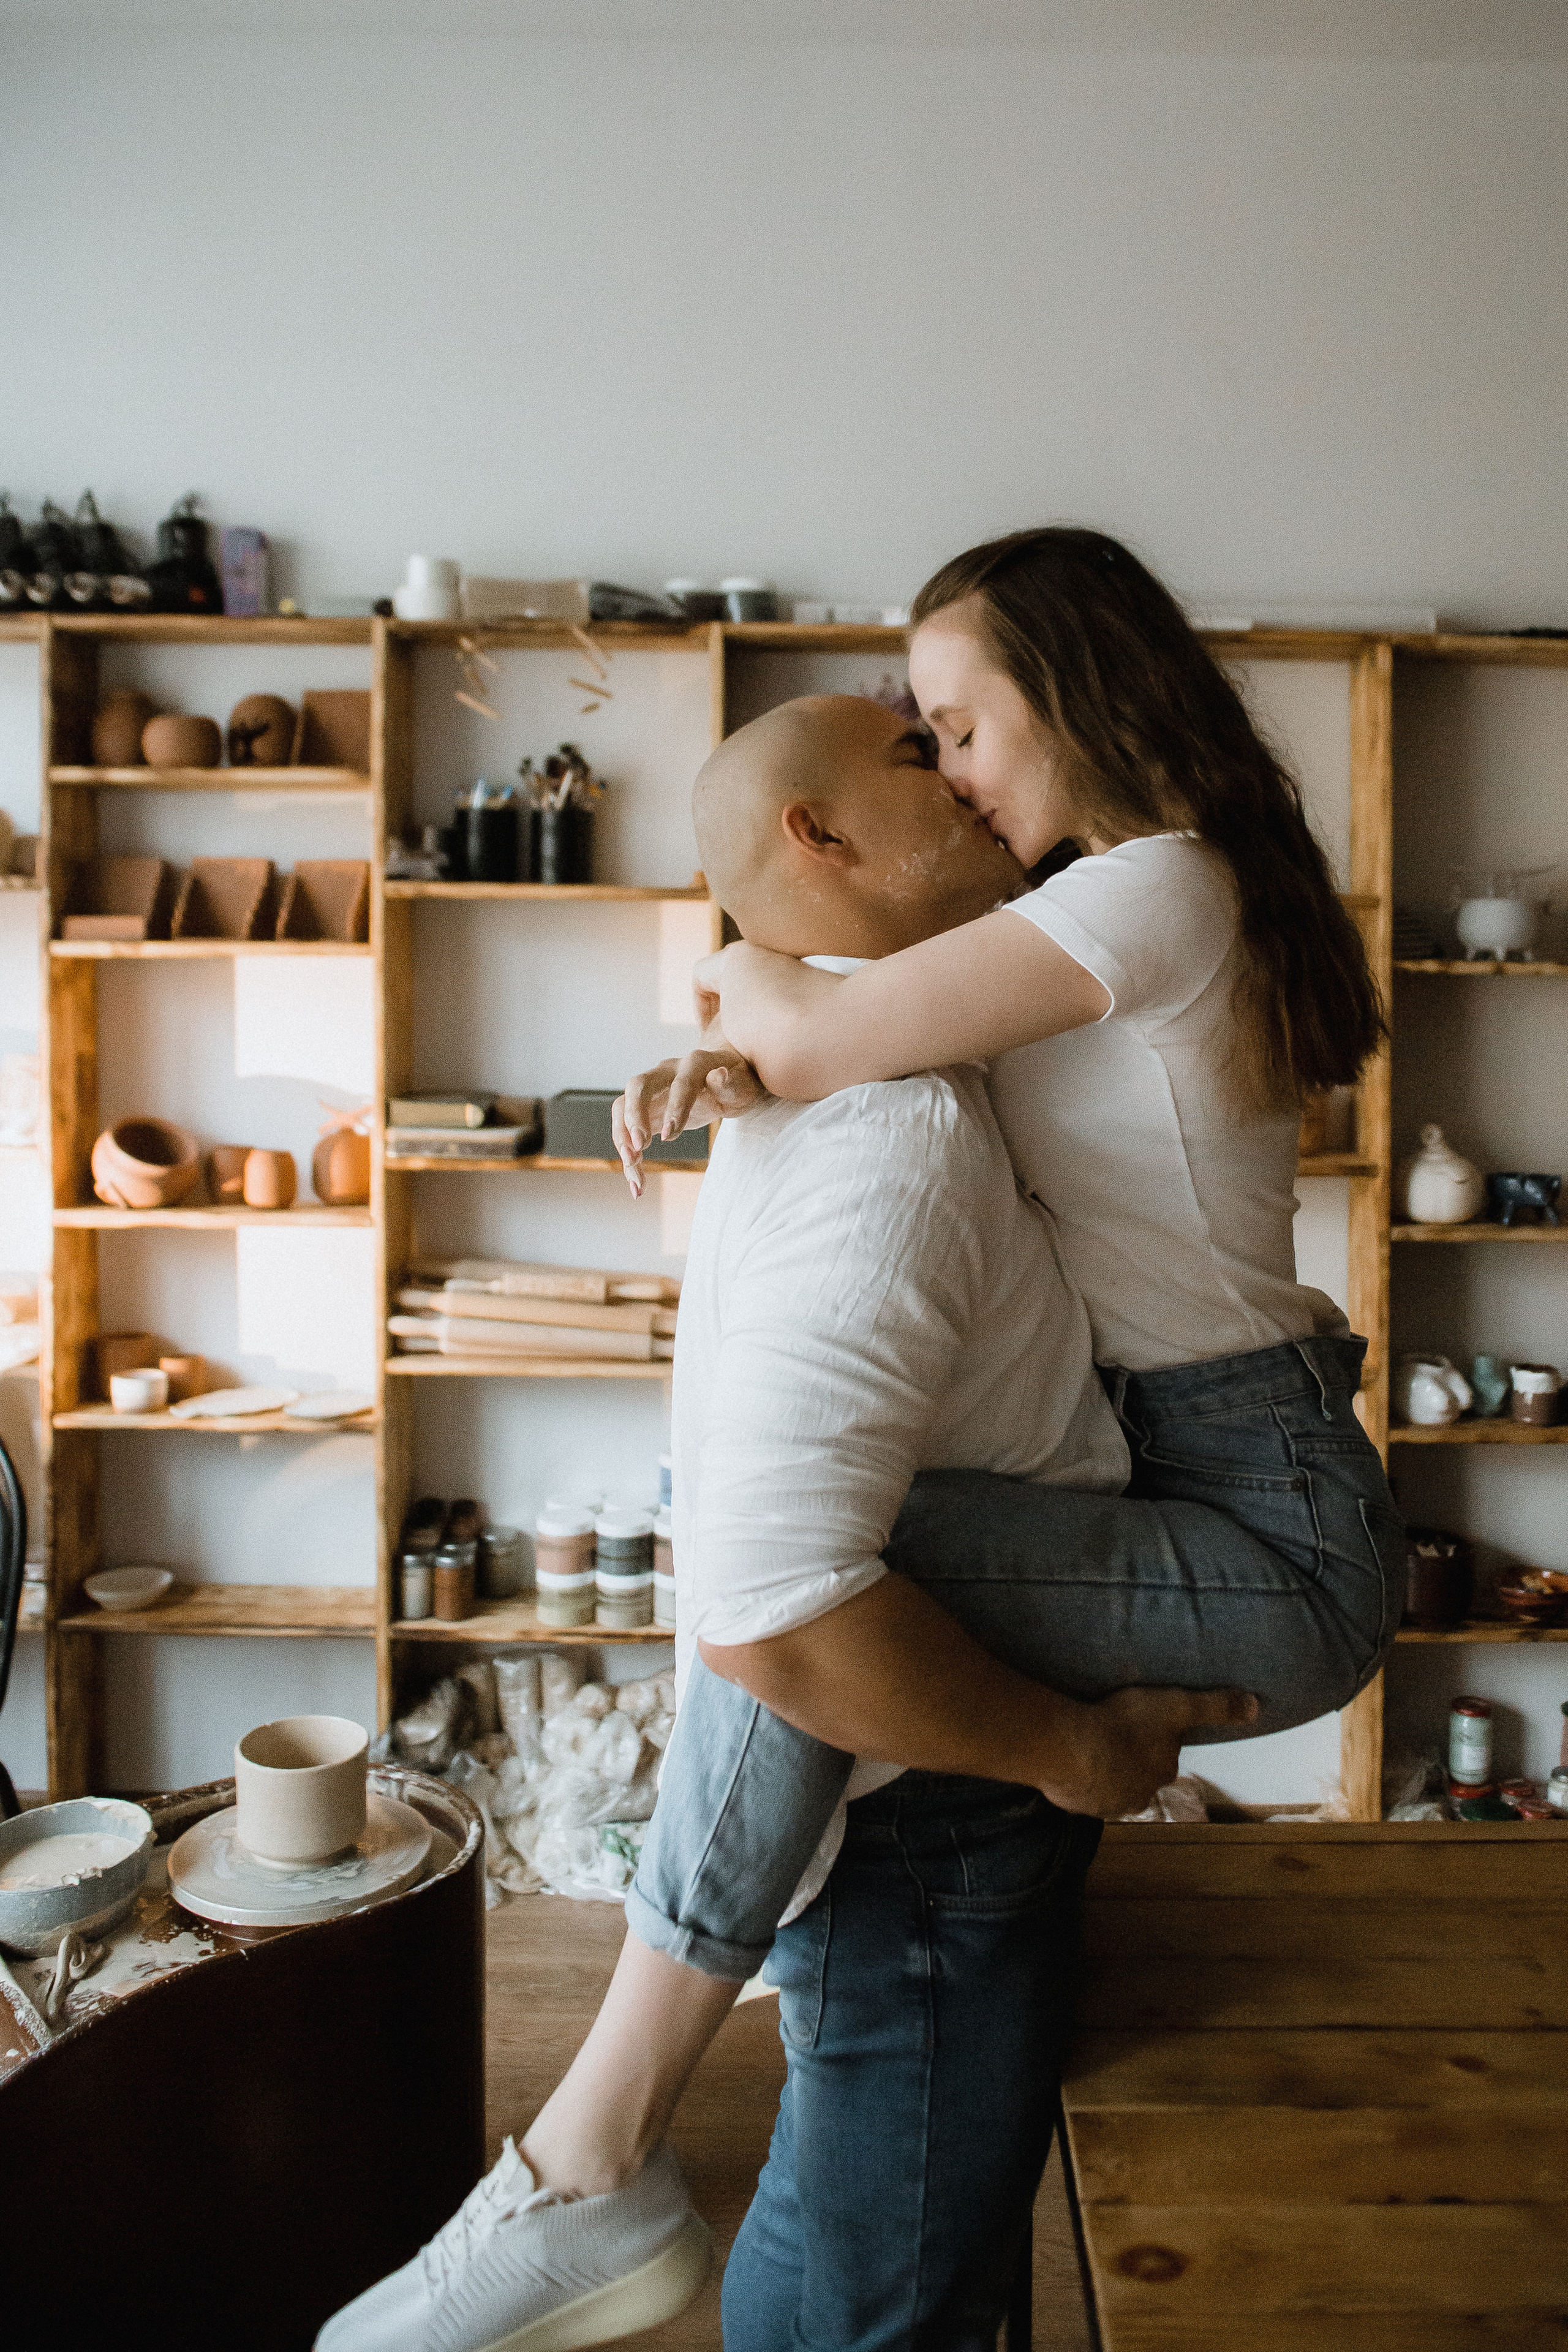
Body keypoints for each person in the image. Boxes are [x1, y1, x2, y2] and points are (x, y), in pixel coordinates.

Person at [316, 690, 1261, 2352]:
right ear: (821, 839)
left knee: (833, 2259)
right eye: (923, 752)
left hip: (904, 1803)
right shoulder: (886, 1134)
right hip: (938, 1822)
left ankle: (587, 2166)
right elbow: (781, 1610)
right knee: (904, 2314)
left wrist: (744, 995)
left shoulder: (859, 1064)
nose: (967, 773)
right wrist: (1069, 1752)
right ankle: (586, 2160)